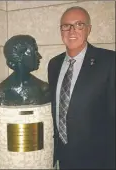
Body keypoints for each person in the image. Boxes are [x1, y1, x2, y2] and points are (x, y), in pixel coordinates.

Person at [48, 6, 115, 169]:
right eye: (66, 26)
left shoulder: (109, 61)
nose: (71, 31)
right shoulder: (54, 64)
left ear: (88, 29)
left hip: (98, 158)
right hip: (63, 157)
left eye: (79, 25)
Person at [0, 34, 50, 106]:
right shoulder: (2, 91)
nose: (40, 56)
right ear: (19, 55)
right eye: (35, 51)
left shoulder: (43, 89)